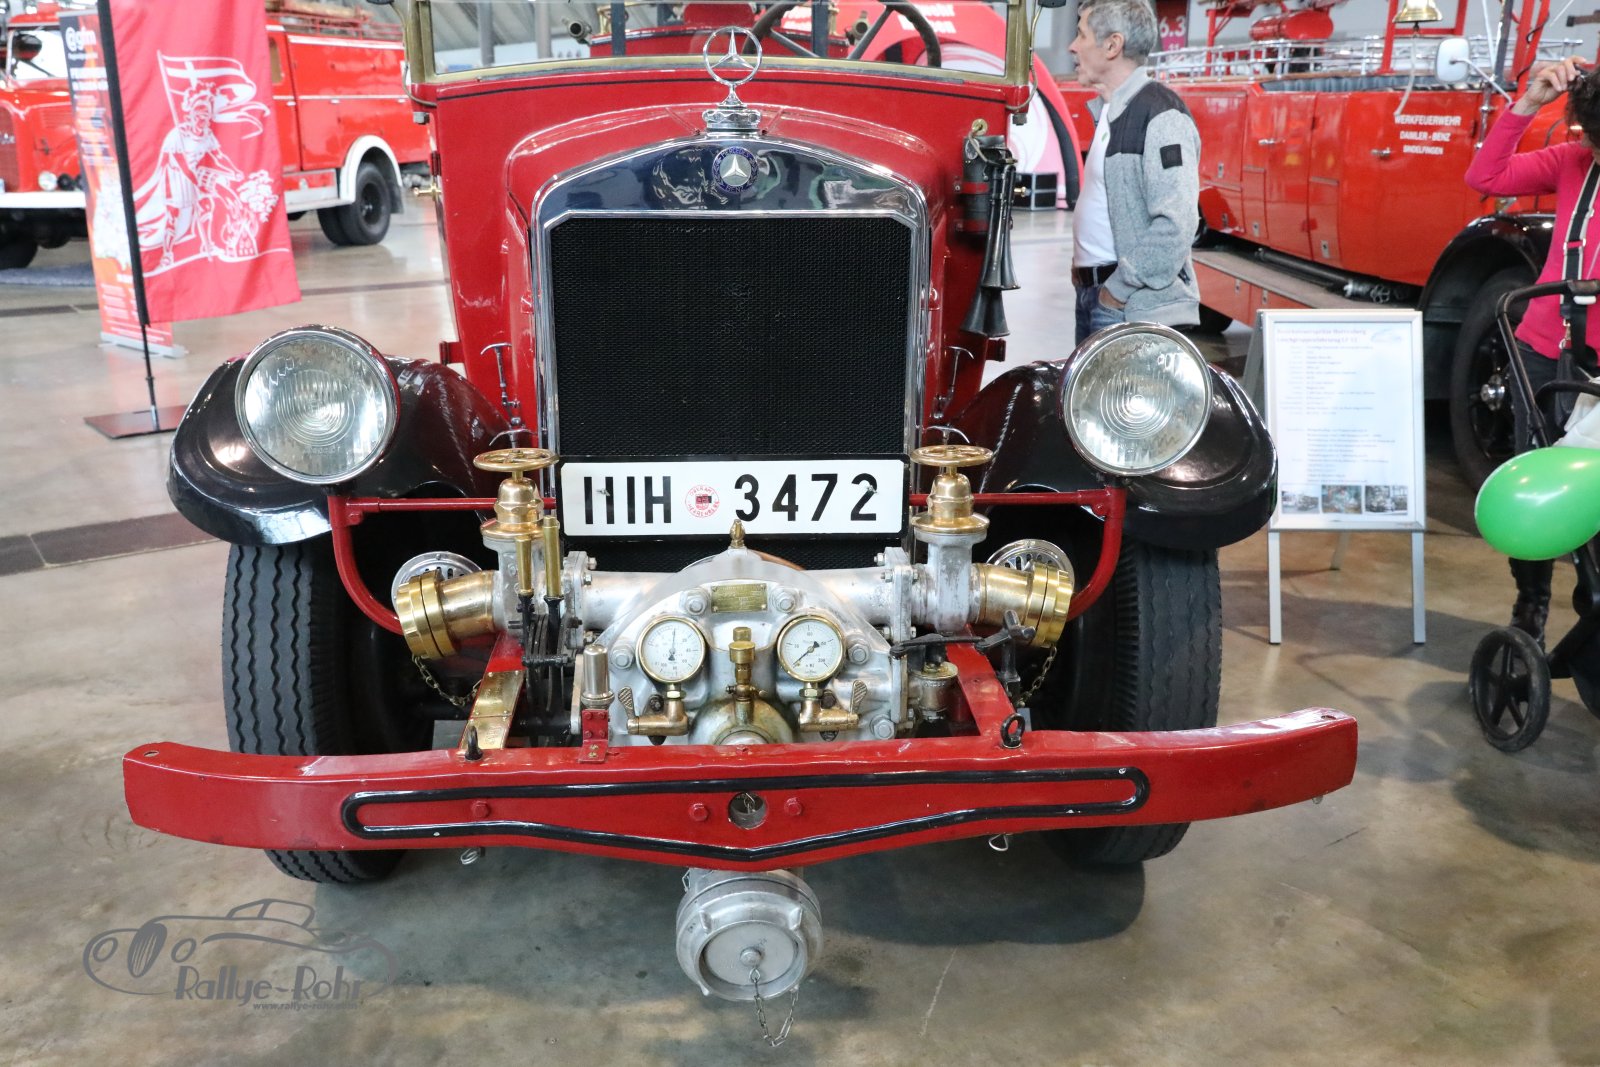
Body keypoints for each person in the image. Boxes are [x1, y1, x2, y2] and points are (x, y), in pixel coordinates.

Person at [1465, 57, 1600, 645]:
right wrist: (1528, 103)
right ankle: (1531, 602)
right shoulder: (1572, 161)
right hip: (1544, 350)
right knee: (1535, 478)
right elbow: (1486, 176)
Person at [1068, 0, 1201, 345]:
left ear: (1112, 45)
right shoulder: (1110, 111)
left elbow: (1177, 224)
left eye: (1081, 35)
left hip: (1126, 303)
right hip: (1094, 293)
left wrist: (1118, 289)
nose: (1072, 46)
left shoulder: (1161, 116)